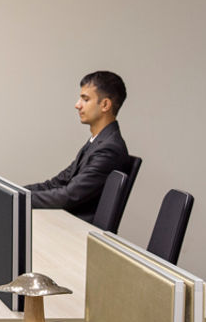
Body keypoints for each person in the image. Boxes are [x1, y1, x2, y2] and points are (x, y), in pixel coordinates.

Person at [26, 71, 133, 224]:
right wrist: (13, 191)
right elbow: (57, 183)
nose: (77, 105)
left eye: (85, 99)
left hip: (78, 232)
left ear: (105, 105)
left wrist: (18, 198)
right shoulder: (96, 143)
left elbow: (68, 196)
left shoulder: (109, 149)